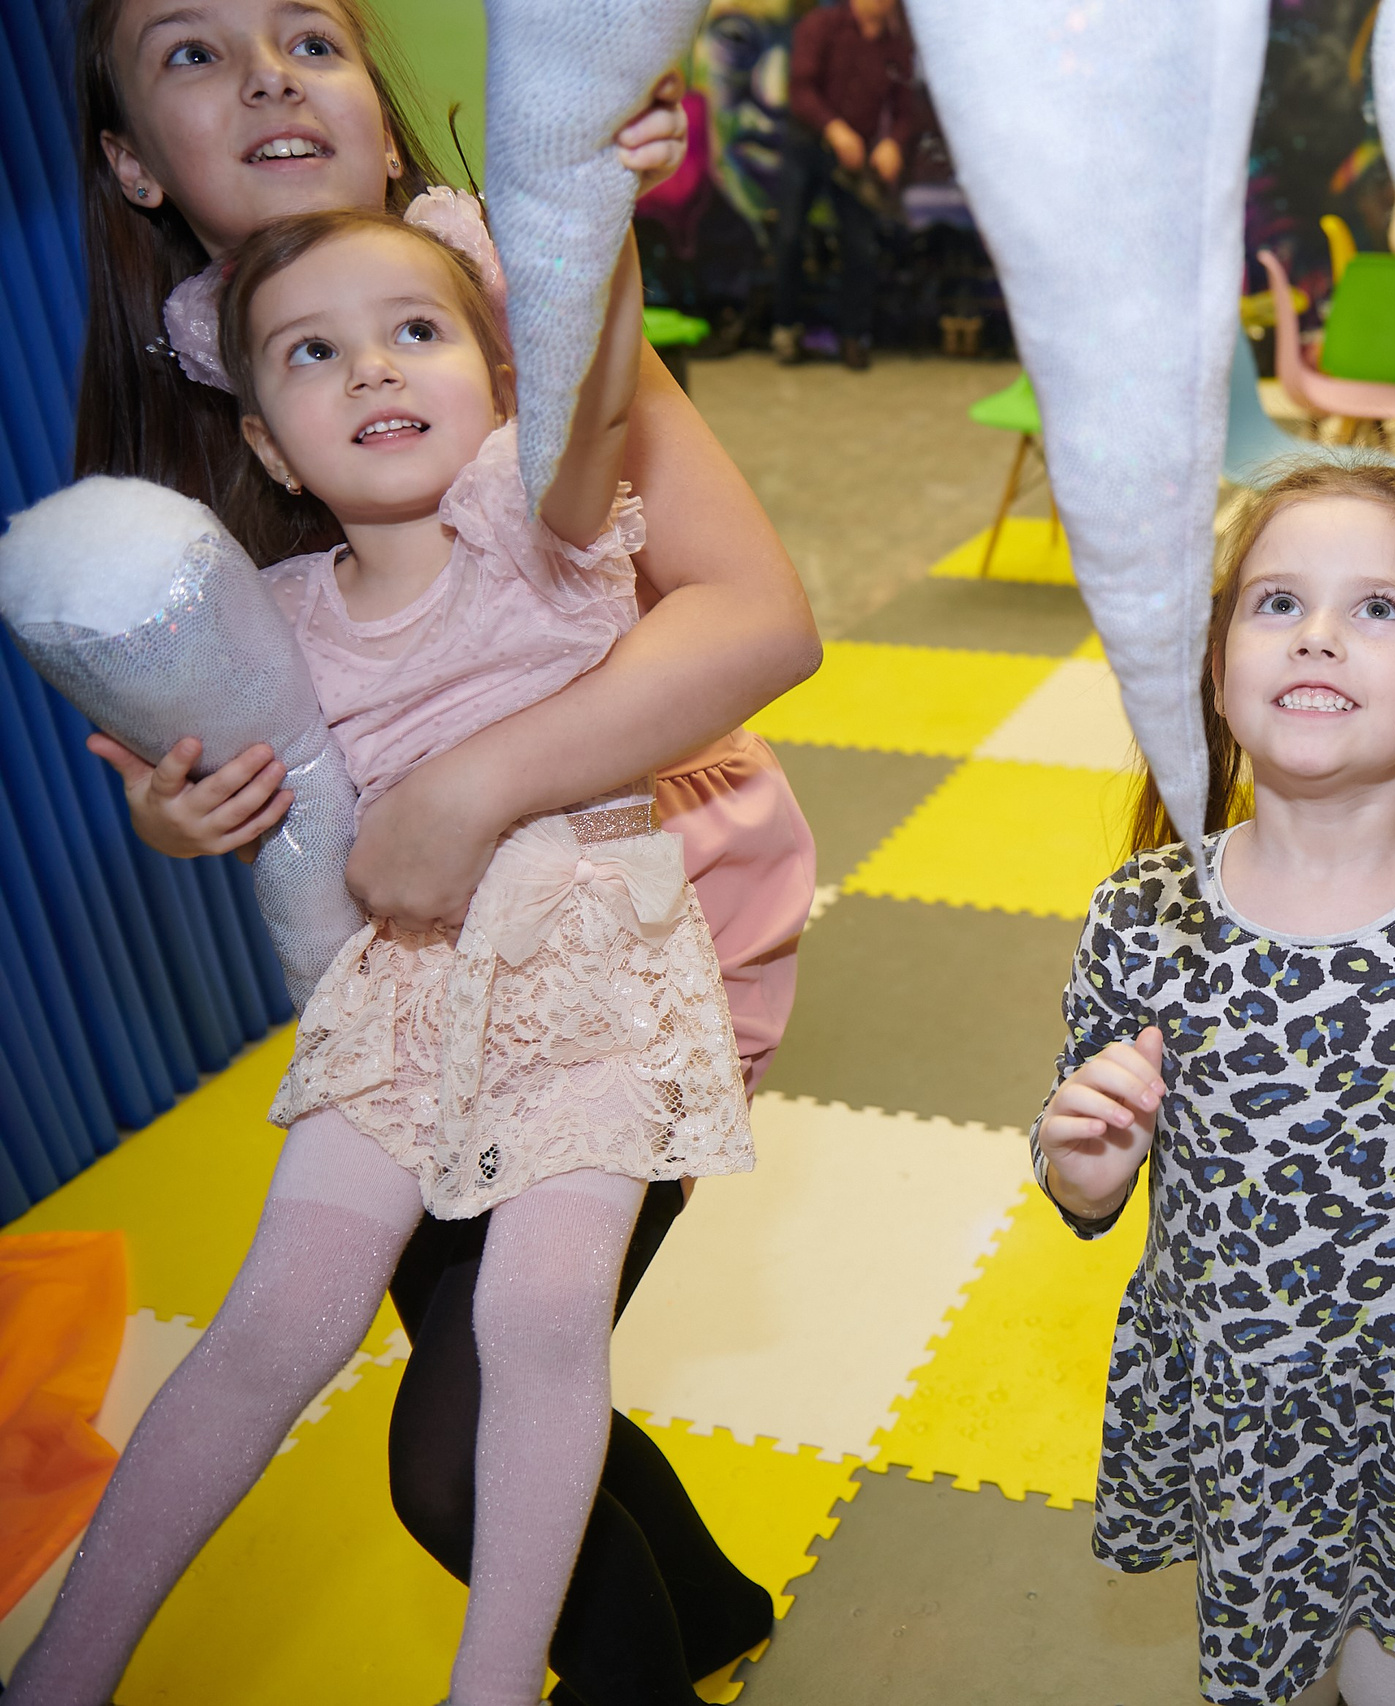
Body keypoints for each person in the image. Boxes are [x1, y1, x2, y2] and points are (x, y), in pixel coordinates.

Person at [60, 0, 816, 1697]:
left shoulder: (493, 319)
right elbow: (228, 731)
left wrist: (592, 235)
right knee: (431, 1349)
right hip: (404, 976)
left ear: (385, 119)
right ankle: (711, 1613)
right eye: (192, 52)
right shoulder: (190, 446)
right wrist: (180, 806)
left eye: (311, 38)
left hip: (651, 918)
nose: (265, 74)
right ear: (127, 160)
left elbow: (758, 611)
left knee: (462, 1441)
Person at [1030, 459, 1395, 1706]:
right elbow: (1078, 1158)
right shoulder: (1140, 917)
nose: (1317, 631)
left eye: (1378, 608)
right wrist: (1080, 1167)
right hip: (1243, 1409)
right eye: (1276, 600)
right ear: (1217, 659)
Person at [771, 0, 916, 370]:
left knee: (861, 247)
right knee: (789, 236)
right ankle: (786, 329)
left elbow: (905, 109)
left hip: (854, 159)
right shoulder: (820, 27)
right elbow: (801, 90)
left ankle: (854, 336)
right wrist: (834, 129)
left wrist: (893, 143)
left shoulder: (897, 46)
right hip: (808, 145)